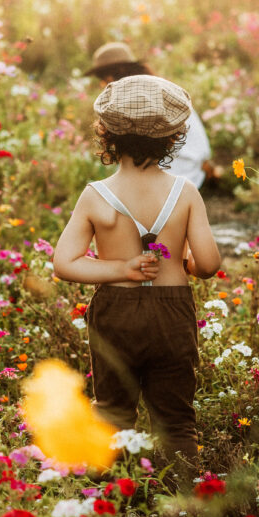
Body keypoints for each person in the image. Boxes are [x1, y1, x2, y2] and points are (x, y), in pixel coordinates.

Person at [53, 75, 221, 478]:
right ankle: (185, 502)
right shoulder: (185, 193)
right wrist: (188, 266)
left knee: (112, 413)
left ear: (107, 134)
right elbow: (210, 263)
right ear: (172, 138)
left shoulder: (96, 194)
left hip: (116, 314)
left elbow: (64, 263)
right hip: (171, 315)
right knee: (177, 421)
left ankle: (112, 496)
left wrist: (120, 270)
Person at [85, 42, 213, 189]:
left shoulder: (138, 100)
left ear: (119, 71)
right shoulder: (157, 91)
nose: (103, 84)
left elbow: (137, 150)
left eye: (104, 78)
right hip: (188, 168)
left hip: (175, 170)